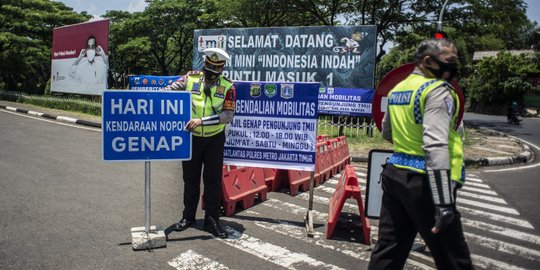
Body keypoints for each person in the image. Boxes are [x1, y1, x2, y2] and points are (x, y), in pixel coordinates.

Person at [369, 39, 474, 269]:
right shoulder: (436, 91)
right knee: (454, 258)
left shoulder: (398, 90)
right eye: (450, 61)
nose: (454, 66)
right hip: (425, 181)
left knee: (388, 251)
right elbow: (435, 144)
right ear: (428, 61)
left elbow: (388, 132)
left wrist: (408, 145)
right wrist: (444, 201)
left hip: (395, 173)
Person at [164, 47, 236, 239]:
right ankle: (188, 217)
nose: (211, 76)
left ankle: (212, 221)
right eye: (209, 71)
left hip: (214, 140)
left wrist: (201, 121)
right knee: (190, 180)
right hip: (192, 139)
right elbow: (167, 92)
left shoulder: (229, 87)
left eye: (215, 72)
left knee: (212, 181)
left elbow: (227, 116)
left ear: (221, 70)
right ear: (204, 66)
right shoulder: (190, 79)